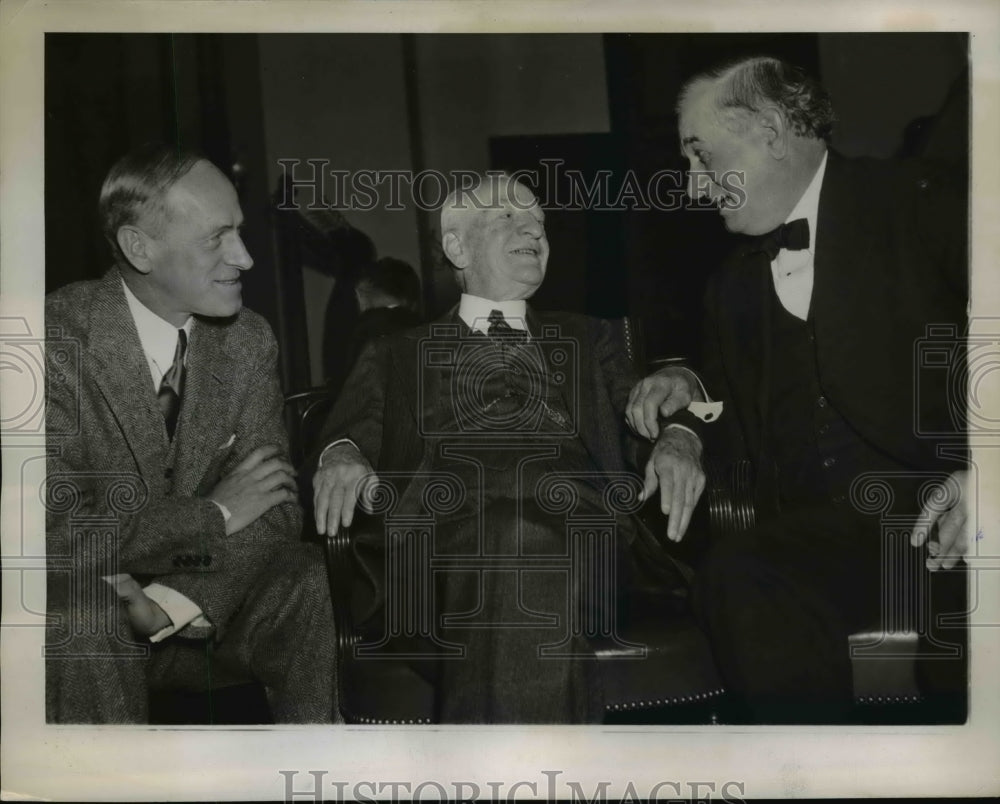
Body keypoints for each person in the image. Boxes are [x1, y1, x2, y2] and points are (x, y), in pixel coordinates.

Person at [627, 56, 969, 723]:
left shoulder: (920, 199)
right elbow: (718, 397)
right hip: (829, 540)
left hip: (955, 516)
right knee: (737, 572)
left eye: (703, 158)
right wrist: (684, 432)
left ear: (772, 132)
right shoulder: (729, 285)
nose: (695, 189)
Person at [308, 172, 707, 723]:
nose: (534, 230)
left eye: (540, 222)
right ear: (457, 246)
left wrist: (679, 431)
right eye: (509, 217)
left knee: (520, 544)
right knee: (511, 543)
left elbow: (658, 410)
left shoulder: (593, 340)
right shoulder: (394, 353)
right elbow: (344, 433)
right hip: (440, 562)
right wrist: (343, 454)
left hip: (584, 549)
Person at [45, 144, 338, 724]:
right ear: (139, 248)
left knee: (305, 574)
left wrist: (171, 603)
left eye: (241, 232)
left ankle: (315, 774)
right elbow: (54, 533)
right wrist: (215, 514)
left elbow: (277, 510)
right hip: (84, 633)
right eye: (217, 238)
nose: (246, 257)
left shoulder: (248, 341)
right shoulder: (52, 341)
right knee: (85, 610)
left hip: (206, 610)